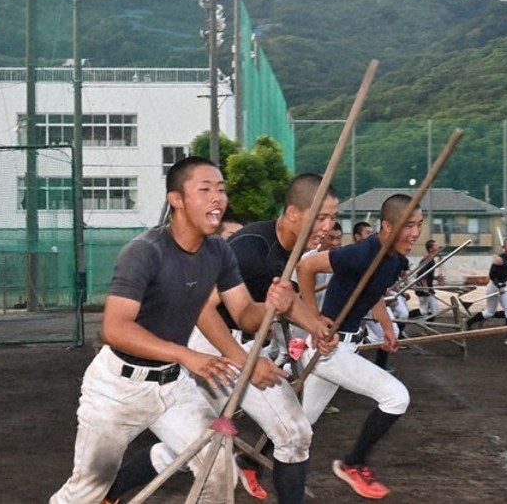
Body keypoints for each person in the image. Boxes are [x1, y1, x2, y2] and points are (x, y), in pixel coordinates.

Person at [51, 156, 297, 504]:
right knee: (88, 491)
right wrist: (187, 355)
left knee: (217, 467)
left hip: (172, 387)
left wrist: (273, 306)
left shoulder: (218, 252)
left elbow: (244, 314)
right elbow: (114, 328)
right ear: (176, 200)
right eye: (205, 189)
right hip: (117, 390)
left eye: (221, 190)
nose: (218, 198)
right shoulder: (144, 252)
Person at [110, 173, 342, 504]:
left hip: (239, 344)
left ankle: (109, 492)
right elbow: (203, 310)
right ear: (293, 213)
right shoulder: (251, 249)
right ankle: (108, 493)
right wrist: (245, 363)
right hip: (211, 344)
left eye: (333, 217)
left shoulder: (287, 249)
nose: (328, 226)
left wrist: (318, 329)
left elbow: (283, 301)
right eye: (321, 217)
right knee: (270, 436)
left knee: (203, 444)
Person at [294, 194, 421, 499]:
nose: (416, 233)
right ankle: (354, 463)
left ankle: (248, 461)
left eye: (419, 225)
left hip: (346, 346)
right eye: (409, 226)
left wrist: (387, 327)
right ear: (388, 227)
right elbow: (306, 266)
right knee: (396, 397)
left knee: (299, 427)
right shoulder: (363, 252)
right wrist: (313, 320)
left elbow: (372, 290)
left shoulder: (394, 260)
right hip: (327, 348)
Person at [465, 238, 507, 345]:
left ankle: (469, 322)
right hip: (494, 286)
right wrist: (499, 286)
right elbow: (492, 275)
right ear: (504, 247)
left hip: (503, 286)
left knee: (500, 312)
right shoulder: (499, 259)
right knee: (498, 311)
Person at [412, 239, 443, 319]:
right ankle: (409, 315)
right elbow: (421, 275)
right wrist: (425, 287)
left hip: (428, 288)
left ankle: (427, 327)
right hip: (424, 289)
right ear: (431, 249)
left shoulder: (431, 260)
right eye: (436, 246)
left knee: (433, 311)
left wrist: (436, 278)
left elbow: (427, 275)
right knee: (424, 311)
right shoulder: (427, 260)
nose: (438, 247)